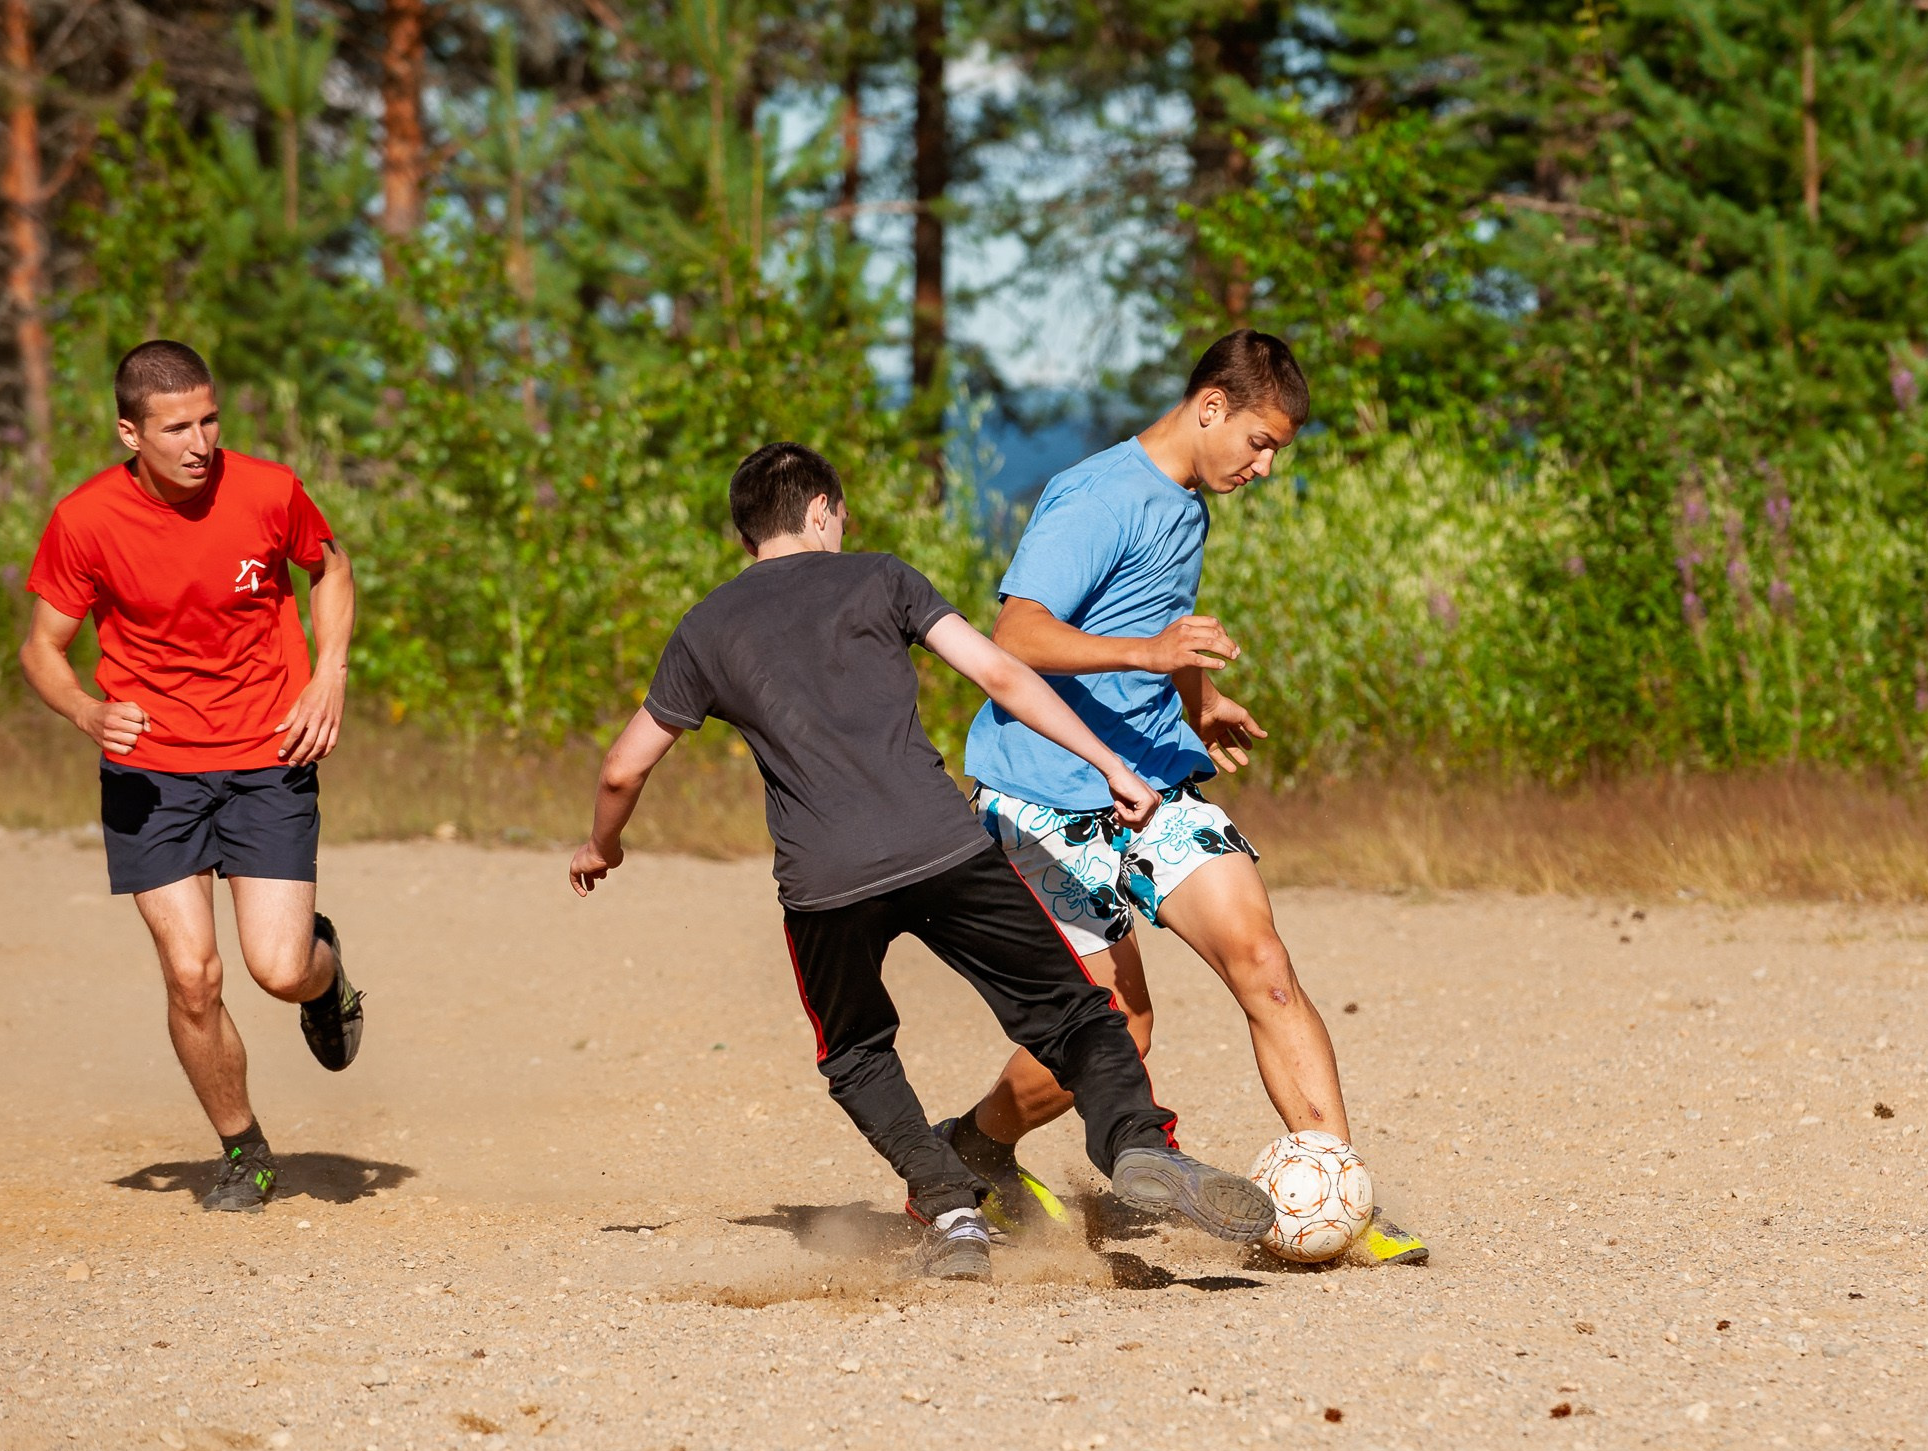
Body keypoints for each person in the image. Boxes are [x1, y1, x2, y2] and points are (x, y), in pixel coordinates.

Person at [567, 441, 1277, 1280]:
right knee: (1076, 1012)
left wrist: (603, 845)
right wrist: (1110, 764)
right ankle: (1138, 1141)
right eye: (841, 515)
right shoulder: (882, 578)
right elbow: (1001, 674)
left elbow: (623, 768)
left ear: (746, 535)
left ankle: (949, 1208)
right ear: (823, 511)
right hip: (945, 850)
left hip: (826, 884)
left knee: (857, 1051)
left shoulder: (706, 627)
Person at [948, 330, 1430, 1265]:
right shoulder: (1095, 496)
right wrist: (1153, 655)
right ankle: (977, 1145)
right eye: (1259, 441)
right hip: (1042, 795)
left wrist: (1196, 697)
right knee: (1119, 1029)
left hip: (1152, 781)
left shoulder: (1189, 502)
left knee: (1264, 962)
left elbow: (1149, 618)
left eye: (1275, 450)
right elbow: (1016, 634)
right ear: (1211, 406)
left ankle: (1340, 1195)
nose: (1264, 466)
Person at [18, 340, 366, 1214]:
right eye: (176, 427)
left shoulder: (269, 490)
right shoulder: (85, 519)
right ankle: (244, 1150)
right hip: (152, 772)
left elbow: (330, 568)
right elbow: (42, 648)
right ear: (130, 432)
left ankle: (326, 976)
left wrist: (329, 672)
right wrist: (87, 712)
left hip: (267, 752)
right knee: (192, 974)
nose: (200, 442)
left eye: (210, 420)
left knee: (278, 967)